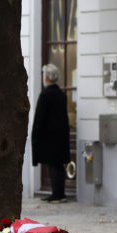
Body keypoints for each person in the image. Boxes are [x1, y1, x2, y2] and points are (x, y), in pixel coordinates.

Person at [32, 63, 71, 202]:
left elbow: (40, 117)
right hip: (60, 135)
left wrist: (36, 133)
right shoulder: (61, 94)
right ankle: (60, 193)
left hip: (49, 136)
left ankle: (56, 194)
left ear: (47, 77)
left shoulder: (46, 94)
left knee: (53, 164)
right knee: (58, 165)